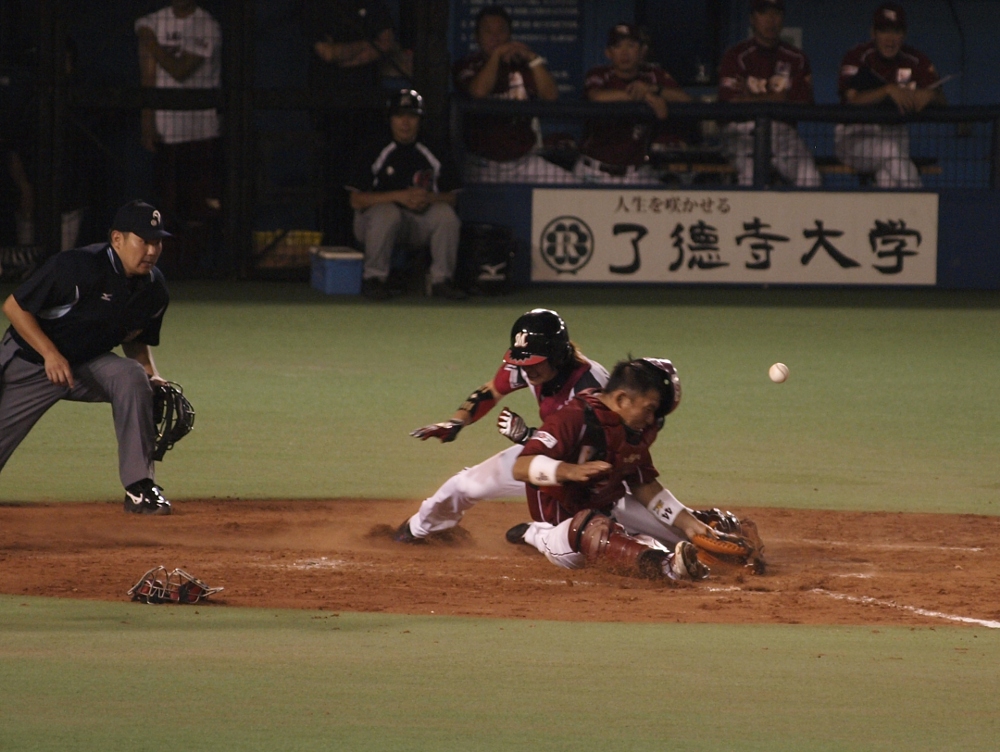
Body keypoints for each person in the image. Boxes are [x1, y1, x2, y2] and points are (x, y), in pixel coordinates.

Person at [0, 200, 173, 515]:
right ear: (117, 239)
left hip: (86, 366)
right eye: (143, 240)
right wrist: (50, 354)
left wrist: (151, 377)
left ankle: (140, 488)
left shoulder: (153, 289)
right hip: (30, 364)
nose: (151, 250)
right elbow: (14, 307)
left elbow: (136, 341)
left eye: (157, 241)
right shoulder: (77, 266)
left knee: (133, 377)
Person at [395, 308, 609, 543]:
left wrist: (528, 437)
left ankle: (538, 533)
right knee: (465, 486)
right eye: (523, 360)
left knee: (589, 526)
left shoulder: (591, 389)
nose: (526, 368)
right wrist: (457, 421)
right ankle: (417, 530)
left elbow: (590, 455)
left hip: (596, 473)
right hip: (546, 454)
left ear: (557, 355)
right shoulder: (529, 364)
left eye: (534, 362)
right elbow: (492, 390)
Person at [506, 357, 718, 581]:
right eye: (649, 409)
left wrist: (689, 523)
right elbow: (521, 467)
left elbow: (644, 485)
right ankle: (665, 567)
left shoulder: (629, 431)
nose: (650, 420)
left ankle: (735, 556)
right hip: (561, 528)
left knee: (691, 529)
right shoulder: (573, 417)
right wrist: (568, 471)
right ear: (622, 399)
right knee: (592, 528)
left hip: (610, 512)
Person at [301, 0, 409, 247]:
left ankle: (365, 250)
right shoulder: (315, 7)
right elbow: (327, 53)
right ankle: (335, 246)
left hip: (368, 107)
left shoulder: (373, 5)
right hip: (329, 109)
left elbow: (386, 43)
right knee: (333, 179)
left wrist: (343, 54)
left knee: (367, 177)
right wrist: (366, 45)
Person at [346, 89, 466, 301]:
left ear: (419, 119)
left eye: (411, 116)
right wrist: (398, 196)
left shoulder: (432, 148)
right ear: (390, 119)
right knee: (387, 212)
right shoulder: (374, 147)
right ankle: (374, 279)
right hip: (372, 225)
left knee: (445, 215)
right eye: (399, 115)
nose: (405, 122)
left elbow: (452, 197)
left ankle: (441, 281)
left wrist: (428, 198)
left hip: (416, 223)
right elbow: (356, 200)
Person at [136, 0, 223, 279]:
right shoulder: (152, 22)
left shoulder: (207, 25)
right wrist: (147, 121)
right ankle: (167, 271)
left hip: (200, 131)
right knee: (165, 206)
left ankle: (198, 268)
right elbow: (148, 76)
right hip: (166, 131)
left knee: (199, 206)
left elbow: (180, 70)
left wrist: (151, 43)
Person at [453, 5, 570, 183]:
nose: (495, 37)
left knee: (568, 184)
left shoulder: (521, 66)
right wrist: (497, 55)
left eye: (501, 31)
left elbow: (551, 96)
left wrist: (533, 59)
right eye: (488, 32)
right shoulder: (467, 65)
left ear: (509, 35)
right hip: (482, 164)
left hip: (523, 162)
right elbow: (478, 92)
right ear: (477, 37)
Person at [835, 3, 944, 189]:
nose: (890, 39)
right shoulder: (858, 56)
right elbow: (851, 100)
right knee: (891, 152)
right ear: (873, 33)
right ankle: (922, 204)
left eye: (896, 31)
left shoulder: (915, 60)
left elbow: (943, 100)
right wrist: (887, 90)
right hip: (856, 136)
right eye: (884, 31)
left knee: (888, 180)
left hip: (894, 134)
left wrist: (931, 95)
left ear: (904, 34)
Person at [717, 0, 821, 187]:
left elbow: (804, 102)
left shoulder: (797, 58)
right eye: (763, 13)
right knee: (751, 173)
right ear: (752, 19)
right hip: (741, 131)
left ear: (783, 19)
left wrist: (750, 98)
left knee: (810, 177)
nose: (770, 20)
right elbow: (729, 103)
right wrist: (778, 98)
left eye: (776, 13)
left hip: (783, 133)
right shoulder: (735, 56)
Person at [574, 24, 692, 184]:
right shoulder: (599, 73)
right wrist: (645, 98)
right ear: (608, 53)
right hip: (594, 170)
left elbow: (686, 100)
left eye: (631, 45)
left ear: (643, 51)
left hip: (636, 173)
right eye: (617, 46)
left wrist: (653, 90)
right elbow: (597, 96)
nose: (624, 52)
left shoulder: (652, 76)